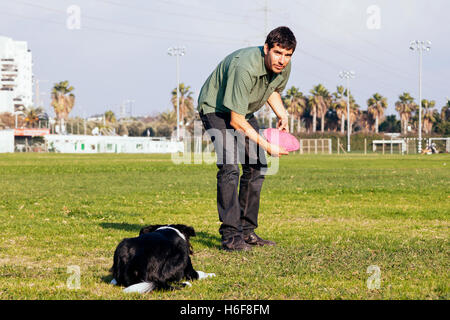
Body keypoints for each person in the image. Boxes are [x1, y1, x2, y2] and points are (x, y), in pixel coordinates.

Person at [197, 26, 297, 251]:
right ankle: (231, 236)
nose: (282, 60)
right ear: (266, 49)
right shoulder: (245, 67)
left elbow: (271, 89)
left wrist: (282, 113)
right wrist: (267, 145)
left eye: (287, 55)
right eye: (277, 53)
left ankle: (247, 231)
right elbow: (236, 121)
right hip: (216, 108)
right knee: (230, 167)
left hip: (242, 111)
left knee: (257, 166)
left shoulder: (283, 67)